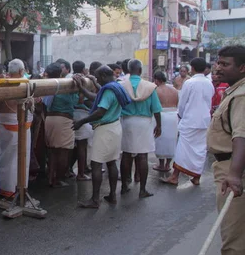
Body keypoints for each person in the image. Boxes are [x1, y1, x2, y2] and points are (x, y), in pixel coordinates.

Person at [206, 45, 245, 255]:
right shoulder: (233, 91)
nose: (218, 67)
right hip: (227, 165)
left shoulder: (241, 96)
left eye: (225, 64)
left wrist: (234, 174)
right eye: (218, 62)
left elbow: (241, 135)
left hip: (231, 168)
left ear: (242, 68)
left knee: (234, 240)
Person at [73, 65, 131, 208]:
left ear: (104, 77)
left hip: (105, 129)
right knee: (111, 162)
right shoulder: (117, 86)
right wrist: (84, 89)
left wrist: (82, 121)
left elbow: (100, 111)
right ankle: (112, 195)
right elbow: (98, 96)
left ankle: (95, 200)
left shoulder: (109, 90)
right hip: (115, 126)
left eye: (98, 78)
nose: (97, 80)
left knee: (96, 163)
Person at [162, 58, 214, 186]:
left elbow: (182, 103)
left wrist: (181, 116)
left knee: (182, 149)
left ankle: (175, 177)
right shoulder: (209, 83)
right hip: (204, 121)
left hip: (190, 120)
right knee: (200, 149)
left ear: (193, 68)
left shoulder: (190, 83)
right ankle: (196, 177)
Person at [118, 60, 162, 198]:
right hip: (143, 122)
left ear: (128, 70)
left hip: (126, 121)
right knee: (142, 156)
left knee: (126, 154)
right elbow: (156, 109)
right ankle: (142, 189)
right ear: (140, 70)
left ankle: (125, 186)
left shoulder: (121, 85)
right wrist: (159, 125)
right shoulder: (149, 87)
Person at [0, 58, 33, 198]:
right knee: (22, 156)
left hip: (7, 122)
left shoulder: (1, 84)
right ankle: (19, 188)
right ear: (21, 71)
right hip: (20, 122)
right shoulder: (27, 84)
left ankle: (6, 189)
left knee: (7, 157)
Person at [43, 63, 76, 187]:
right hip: (63, 120)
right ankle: (58, 179)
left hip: (50, 119)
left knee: (52, 151)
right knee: (64, 151)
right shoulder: (65, 84)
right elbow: (77, 100)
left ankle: (52, 178)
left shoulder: (47, 85)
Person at [152, 71, 179, 172]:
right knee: (171, 140)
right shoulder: (174, 90)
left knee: (160, 139)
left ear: (156, 80)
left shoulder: (156, 90)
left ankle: (161, 164)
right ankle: (168, 164)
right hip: (173, 115)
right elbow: (177, 103)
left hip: (161, 115)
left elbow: (154, 105)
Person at [72, 60, 92, 181]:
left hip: (73, 113)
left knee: (75, 146)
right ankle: (81, 172)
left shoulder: (70, 79)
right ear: (84, 69)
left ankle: (70, 170)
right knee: (81, 145)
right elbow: (81, 100)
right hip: (81, 114)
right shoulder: (84, 81)